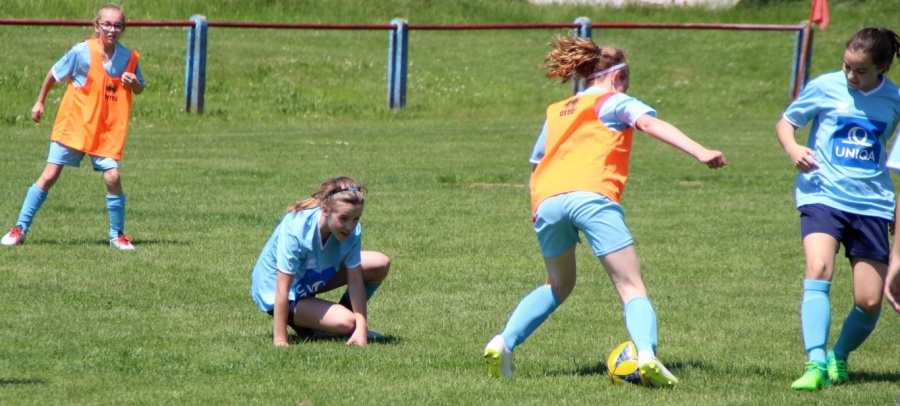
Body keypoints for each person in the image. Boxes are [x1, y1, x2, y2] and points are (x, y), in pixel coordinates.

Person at [483, 35, 726, 387]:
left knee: (557, 284)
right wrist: (700, 151)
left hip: (546, 200)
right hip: (591, 195)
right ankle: (646, 355)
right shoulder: (614, 101)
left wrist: (541, 204)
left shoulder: (558, 110)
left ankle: (503, 342)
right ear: (618, 76)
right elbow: (649, 123)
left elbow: (538, 163)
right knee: (631, 286)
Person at [776, 27, 900, 390]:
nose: (850, 76)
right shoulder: (825, 86)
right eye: (846, 66)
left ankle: (839, 355)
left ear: (883, 67)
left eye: (860, 70)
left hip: (873, 203)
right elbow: (786, 122)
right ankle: (815, 362)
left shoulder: (895, 99)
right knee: (818, 267)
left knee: (870, 300)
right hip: (822, 194)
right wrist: (793, 148)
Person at [1, 4, 145, 250]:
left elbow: (140, 87)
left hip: (105, 131)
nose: (112, 29)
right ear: (96, 26)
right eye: (107, 24)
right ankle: (19, 229)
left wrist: (135, 84)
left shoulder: (129, 57)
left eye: (117, 25)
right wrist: (40, 101)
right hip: (74, 126)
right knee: (49, 175)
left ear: (123, 28)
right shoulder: (82, 52)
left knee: (113, 176)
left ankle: (116, 235)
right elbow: (54, 73)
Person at [250, 176, 391, 347]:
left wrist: (362, 328)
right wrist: (280, 340)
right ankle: (328, 325)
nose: (350, 226)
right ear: (325, 210)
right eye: (344, 218)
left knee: (379, 263)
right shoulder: (297, 228)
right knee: (347, 322)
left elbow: (355, 280)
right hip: (279, 292)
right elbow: (282, 288)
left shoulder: (352, 230)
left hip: (311, 277)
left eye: (356, 218)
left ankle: (332, 326)